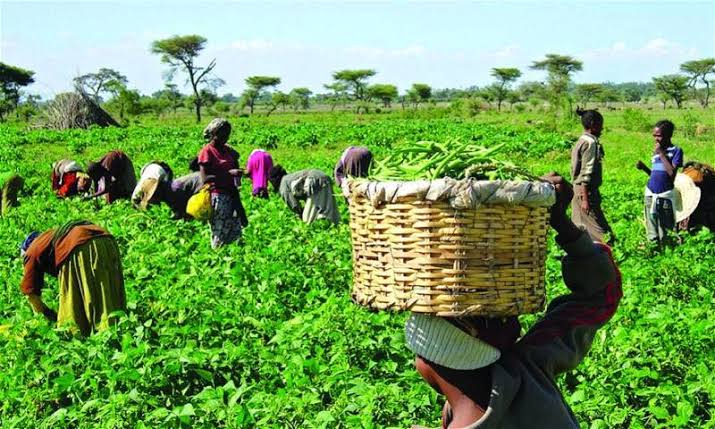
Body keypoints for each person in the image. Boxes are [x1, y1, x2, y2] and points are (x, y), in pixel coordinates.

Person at [406, 173, 622, 429]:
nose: (516, 322)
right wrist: (560, 222)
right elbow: (601, 296)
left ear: (425, 361)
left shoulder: (524, 367)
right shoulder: (526, 370)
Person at [19, 220, 126, 336]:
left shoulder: (30, 252)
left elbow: (30, 294)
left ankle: (92, 338)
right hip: (106, 239)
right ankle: (116, 332)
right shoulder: (49, 238)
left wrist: (47, 315)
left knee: (72, 313)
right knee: (107, 292)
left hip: (79, 244)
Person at [197, 118, 247, 248]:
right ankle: (217, 259)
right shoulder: (207, 151)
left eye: (228, 134)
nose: (226, 137)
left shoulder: (228, 150)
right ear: (214, 133)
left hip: (232, 194)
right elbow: (205, 178)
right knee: (220, 233)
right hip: (217, 197)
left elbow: (235, 164)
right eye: (223, 134)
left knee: (236, 232)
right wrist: (229, 174)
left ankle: (235, 261)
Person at [570, 108, 615, 245]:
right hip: (585, 192)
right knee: (602, 232)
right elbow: (586, 172)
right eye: (601, 124)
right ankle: (610, 253)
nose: (602, 128)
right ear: (593, 124)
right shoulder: (590, 143)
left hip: (577, 190)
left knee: (579, 227)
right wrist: (585, 199)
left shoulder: (581, 140)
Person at [636, 120, 684, 244]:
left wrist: (661, 154)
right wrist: (644, 168)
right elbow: (655, 174)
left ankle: (667, 252)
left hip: (665, 195)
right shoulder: (656, 152)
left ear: (669, 135)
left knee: (666, 229)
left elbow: (671, 174)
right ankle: (653, 251)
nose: (656, 138)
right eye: (654, 135)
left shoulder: (676, 151)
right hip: (650, 194)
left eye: (659, 135)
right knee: (652, 230)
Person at [269, 165, 340, 225]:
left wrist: (300, 214)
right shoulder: (289, 177)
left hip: (314, 180)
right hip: (323, 176)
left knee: (308, 220)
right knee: (329, 209)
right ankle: (335, 226)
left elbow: (294, 205)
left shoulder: (283, 184)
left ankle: (323, 228)